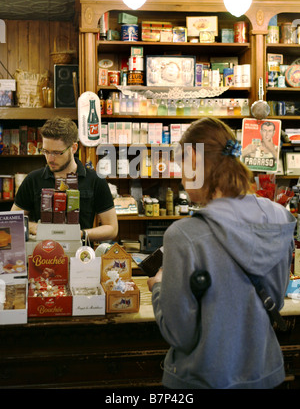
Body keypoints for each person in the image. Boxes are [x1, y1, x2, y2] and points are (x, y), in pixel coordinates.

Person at [147, 117, 296, 389]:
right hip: (267, 375)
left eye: (182, 165)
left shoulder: (183, 236)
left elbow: (180, 334)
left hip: (205, 379)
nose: (181, 178)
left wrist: (158, 287)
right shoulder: (280, 217)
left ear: (193, 157)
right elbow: (276, 299)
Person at [11, 117, 118, 243]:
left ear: (73, 148)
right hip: (41, 256)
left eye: (57, 153)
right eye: (46, 151)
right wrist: (37, 228)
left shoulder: (95, 180)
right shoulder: (33, 180)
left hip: (80, 257)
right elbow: (13, 221)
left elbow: (112, 228)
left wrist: (80, 234)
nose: (50, 159)